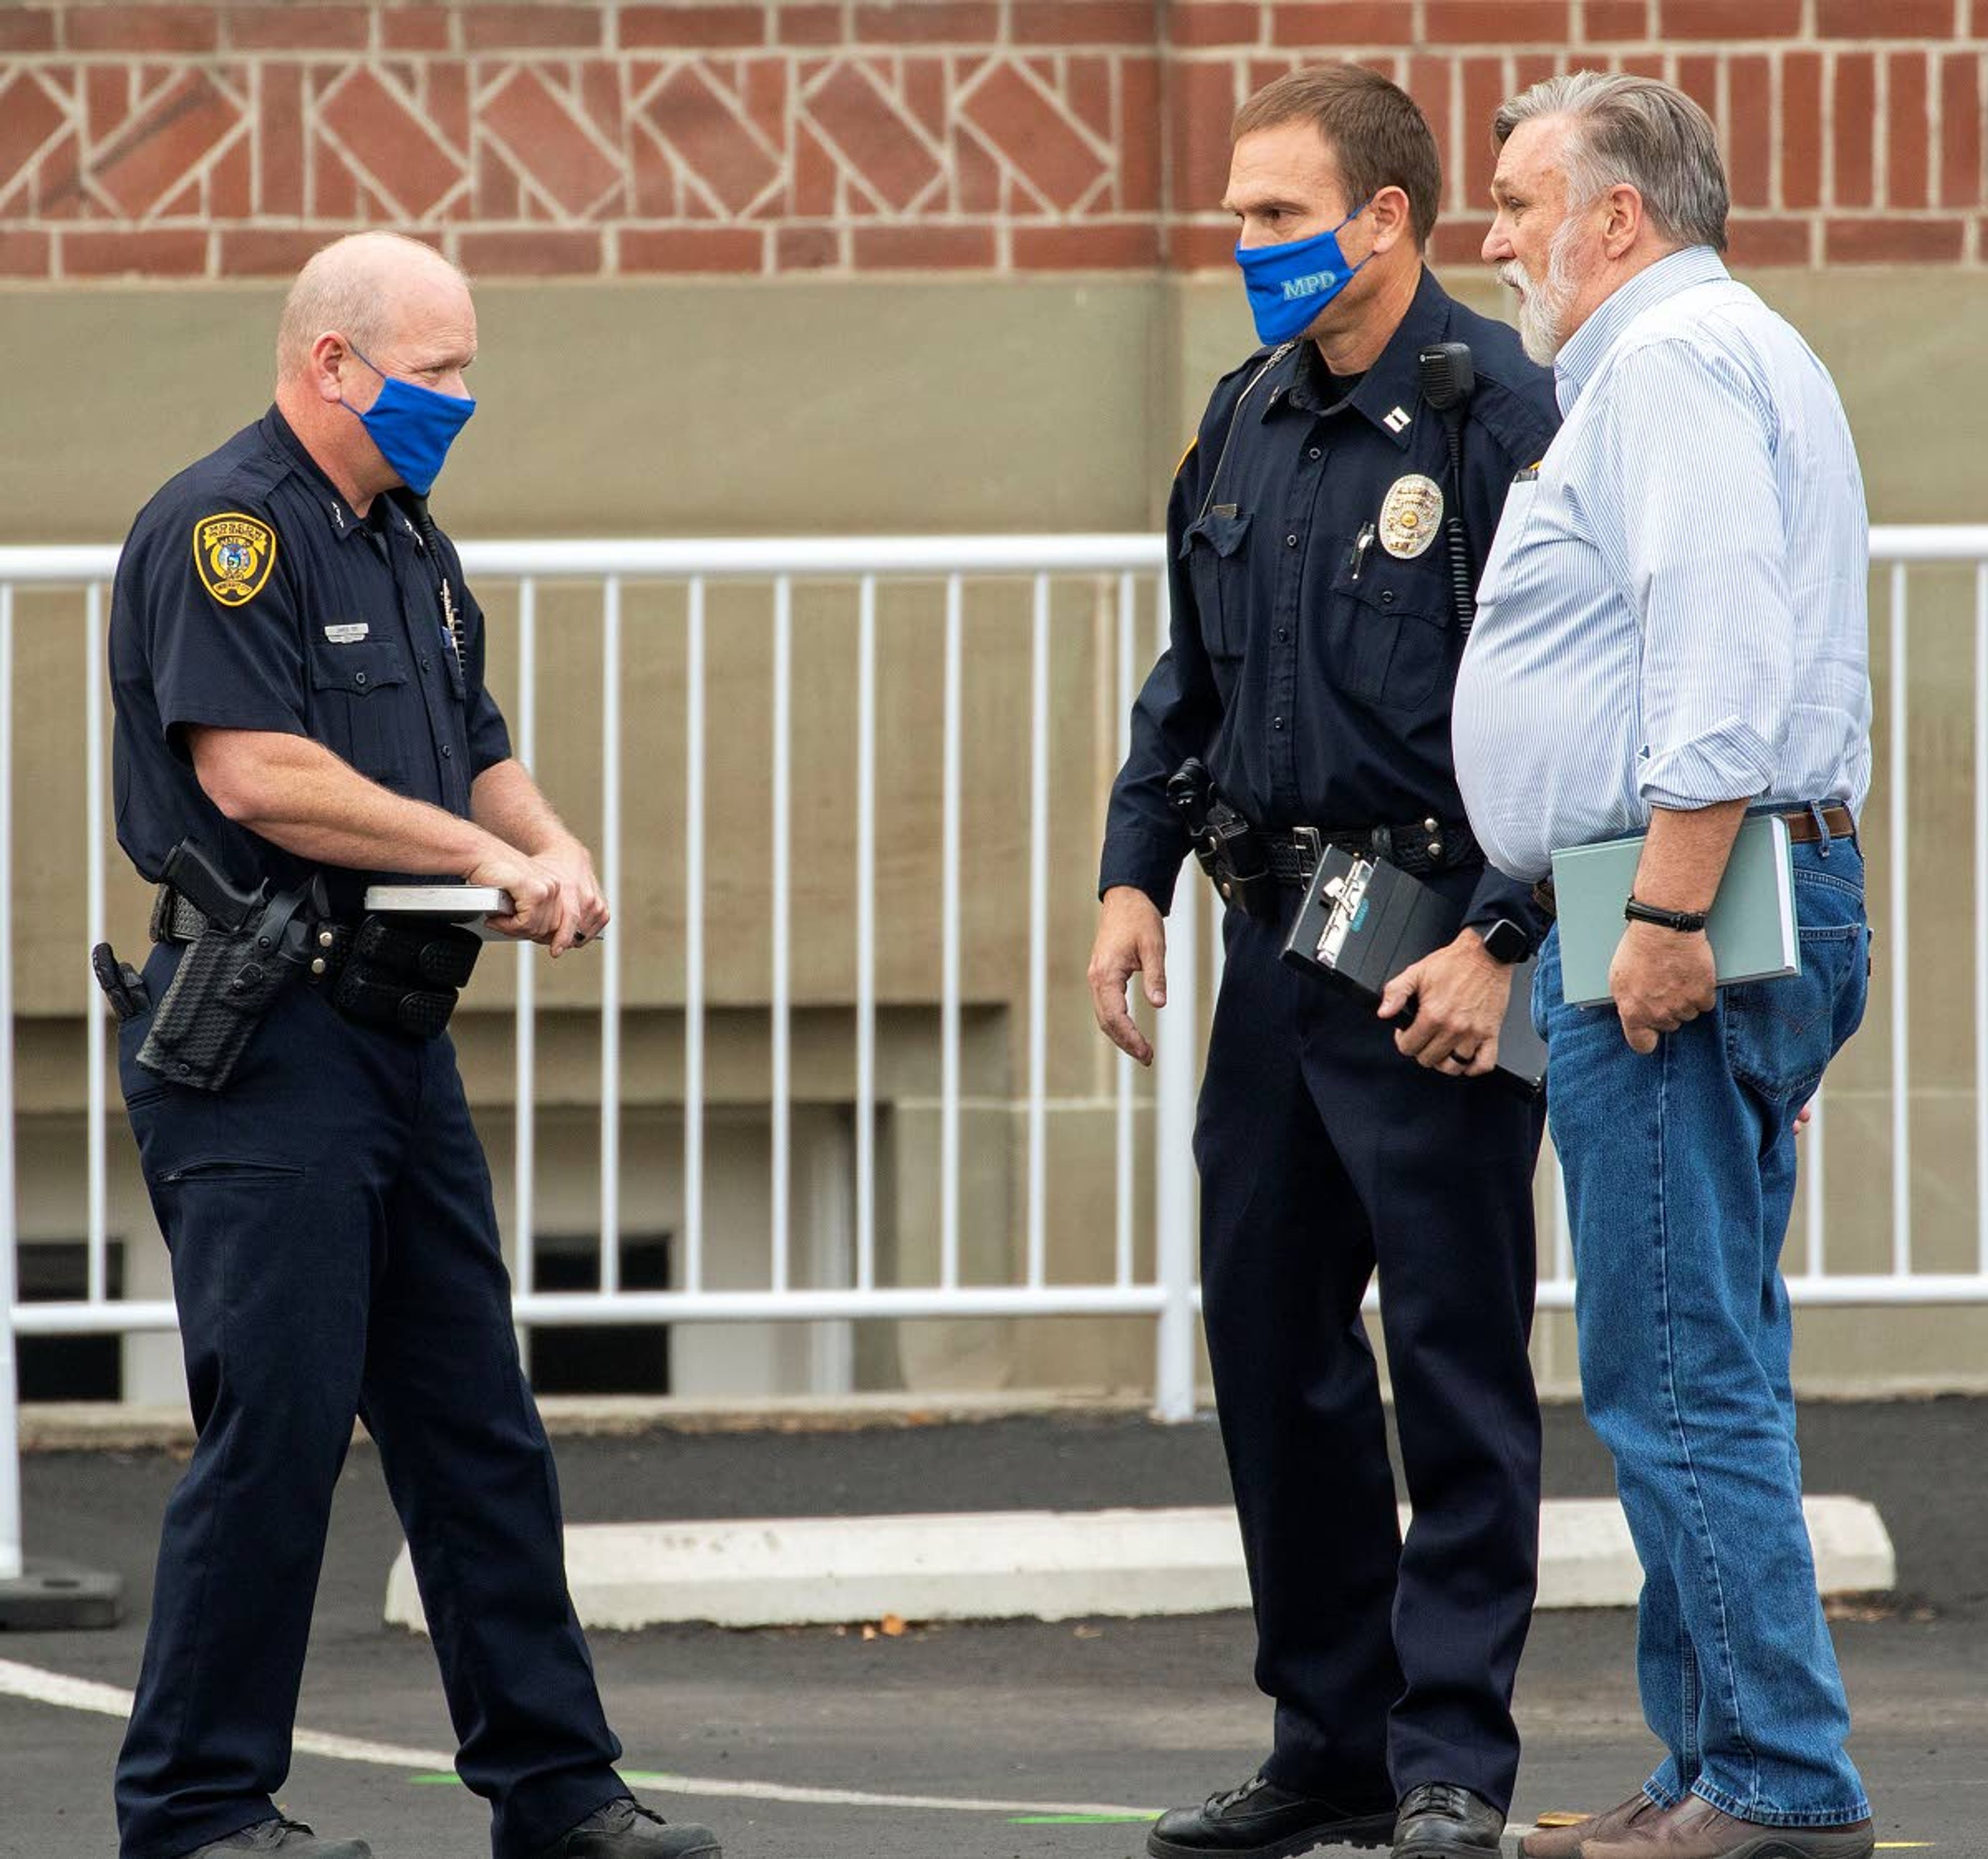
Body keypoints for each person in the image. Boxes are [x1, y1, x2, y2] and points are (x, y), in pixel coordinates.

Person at [105, 233, 719, 1859]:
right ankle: (196, 1812)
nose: (463, 397)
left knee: (476, 1429)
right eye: (436, 370)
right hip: (263, 1047)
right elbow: (252, 773)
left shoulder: (407, 541)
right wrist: (474, 858)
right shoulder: (225, 531)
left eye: (465, 367)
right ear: (331, 363)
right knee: (281, 1435)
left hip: (390, 1038)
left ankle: (559, 1792)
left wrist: (550, 844)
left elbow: (480, 756)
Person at [1091, 65, 1561, 1859]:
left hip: (1439, 953)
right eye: (1237, 214)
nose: (1245, 243)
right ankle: (1332, 1743)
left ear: (1388, 219)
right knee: (1271, 1345)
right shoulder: (1245, 421)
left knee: (1451, 1358)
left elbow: (1576, 713)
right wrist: (1132, 878)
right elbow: (1185, 683)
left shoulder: (1500, 416)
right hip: (1273, 955)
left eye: (1279, 214)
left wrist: (1506, 940)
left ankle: (1452, 1763)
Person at [1453, 74, 1876, 1859]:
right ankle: (1712, 1768)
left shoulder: (1673, 362)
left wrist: (1671, 914)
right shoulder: (1686, 359)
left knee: (1676, 1361)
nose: (1495, 240)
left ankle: (1771, 1781)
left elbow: (1716, 641)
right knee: (1689, 1346)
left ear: (1614, 217)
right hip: (1682, 894)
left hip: (1686, 901)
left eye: (1513, 202)